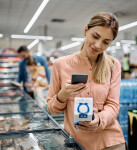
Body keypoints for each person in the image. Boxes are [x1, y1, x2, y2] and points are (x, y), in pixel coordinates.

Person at [47, 12, 126, 150]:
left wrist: (99, 120)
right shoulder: (61, 64)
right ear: (86, 30)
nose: (98, 45)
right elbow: (51, 109)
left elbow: (113, 105)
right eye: (95, 36)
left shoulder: (113, 65)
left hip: (111, 143)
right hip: (78, 143)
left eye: (106, 42)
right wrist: (63, 94)